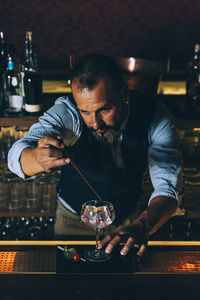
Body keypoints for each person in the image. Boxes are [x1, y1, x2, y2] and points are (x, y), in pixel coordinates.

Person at [8, 54, 183, 260]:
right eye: (85, 111)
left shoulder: (155, 116)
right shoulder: (67, 112)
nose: (95, 123)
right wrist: (36, 158)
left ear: (124, 92)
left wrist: (142, 227)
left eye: (105, 109)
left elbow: (168, 187)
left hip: (129, 219)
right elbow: (17, 154)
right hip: (72, 222)